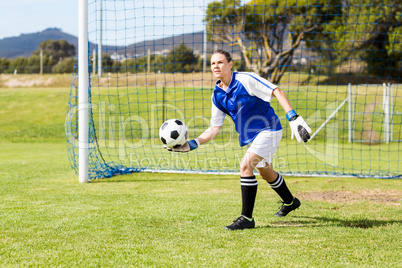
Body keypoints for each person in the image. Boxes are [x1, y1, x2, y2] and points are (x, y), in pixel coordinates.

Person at [166, 49, 311, 230]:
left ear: (230, 64)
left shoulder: (245, 79)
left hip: (269, 129)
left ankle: (246, 219)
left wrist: (293, 117)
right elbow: (214, 128)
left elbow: (276, 91)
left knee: (246, 165)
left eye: (220, 62)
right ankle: (290, 202)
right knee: (266, 173)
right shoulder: (217, 95)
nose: (216, 66)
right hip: (252, 137)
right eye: (212, 63)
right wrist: (192, 144)